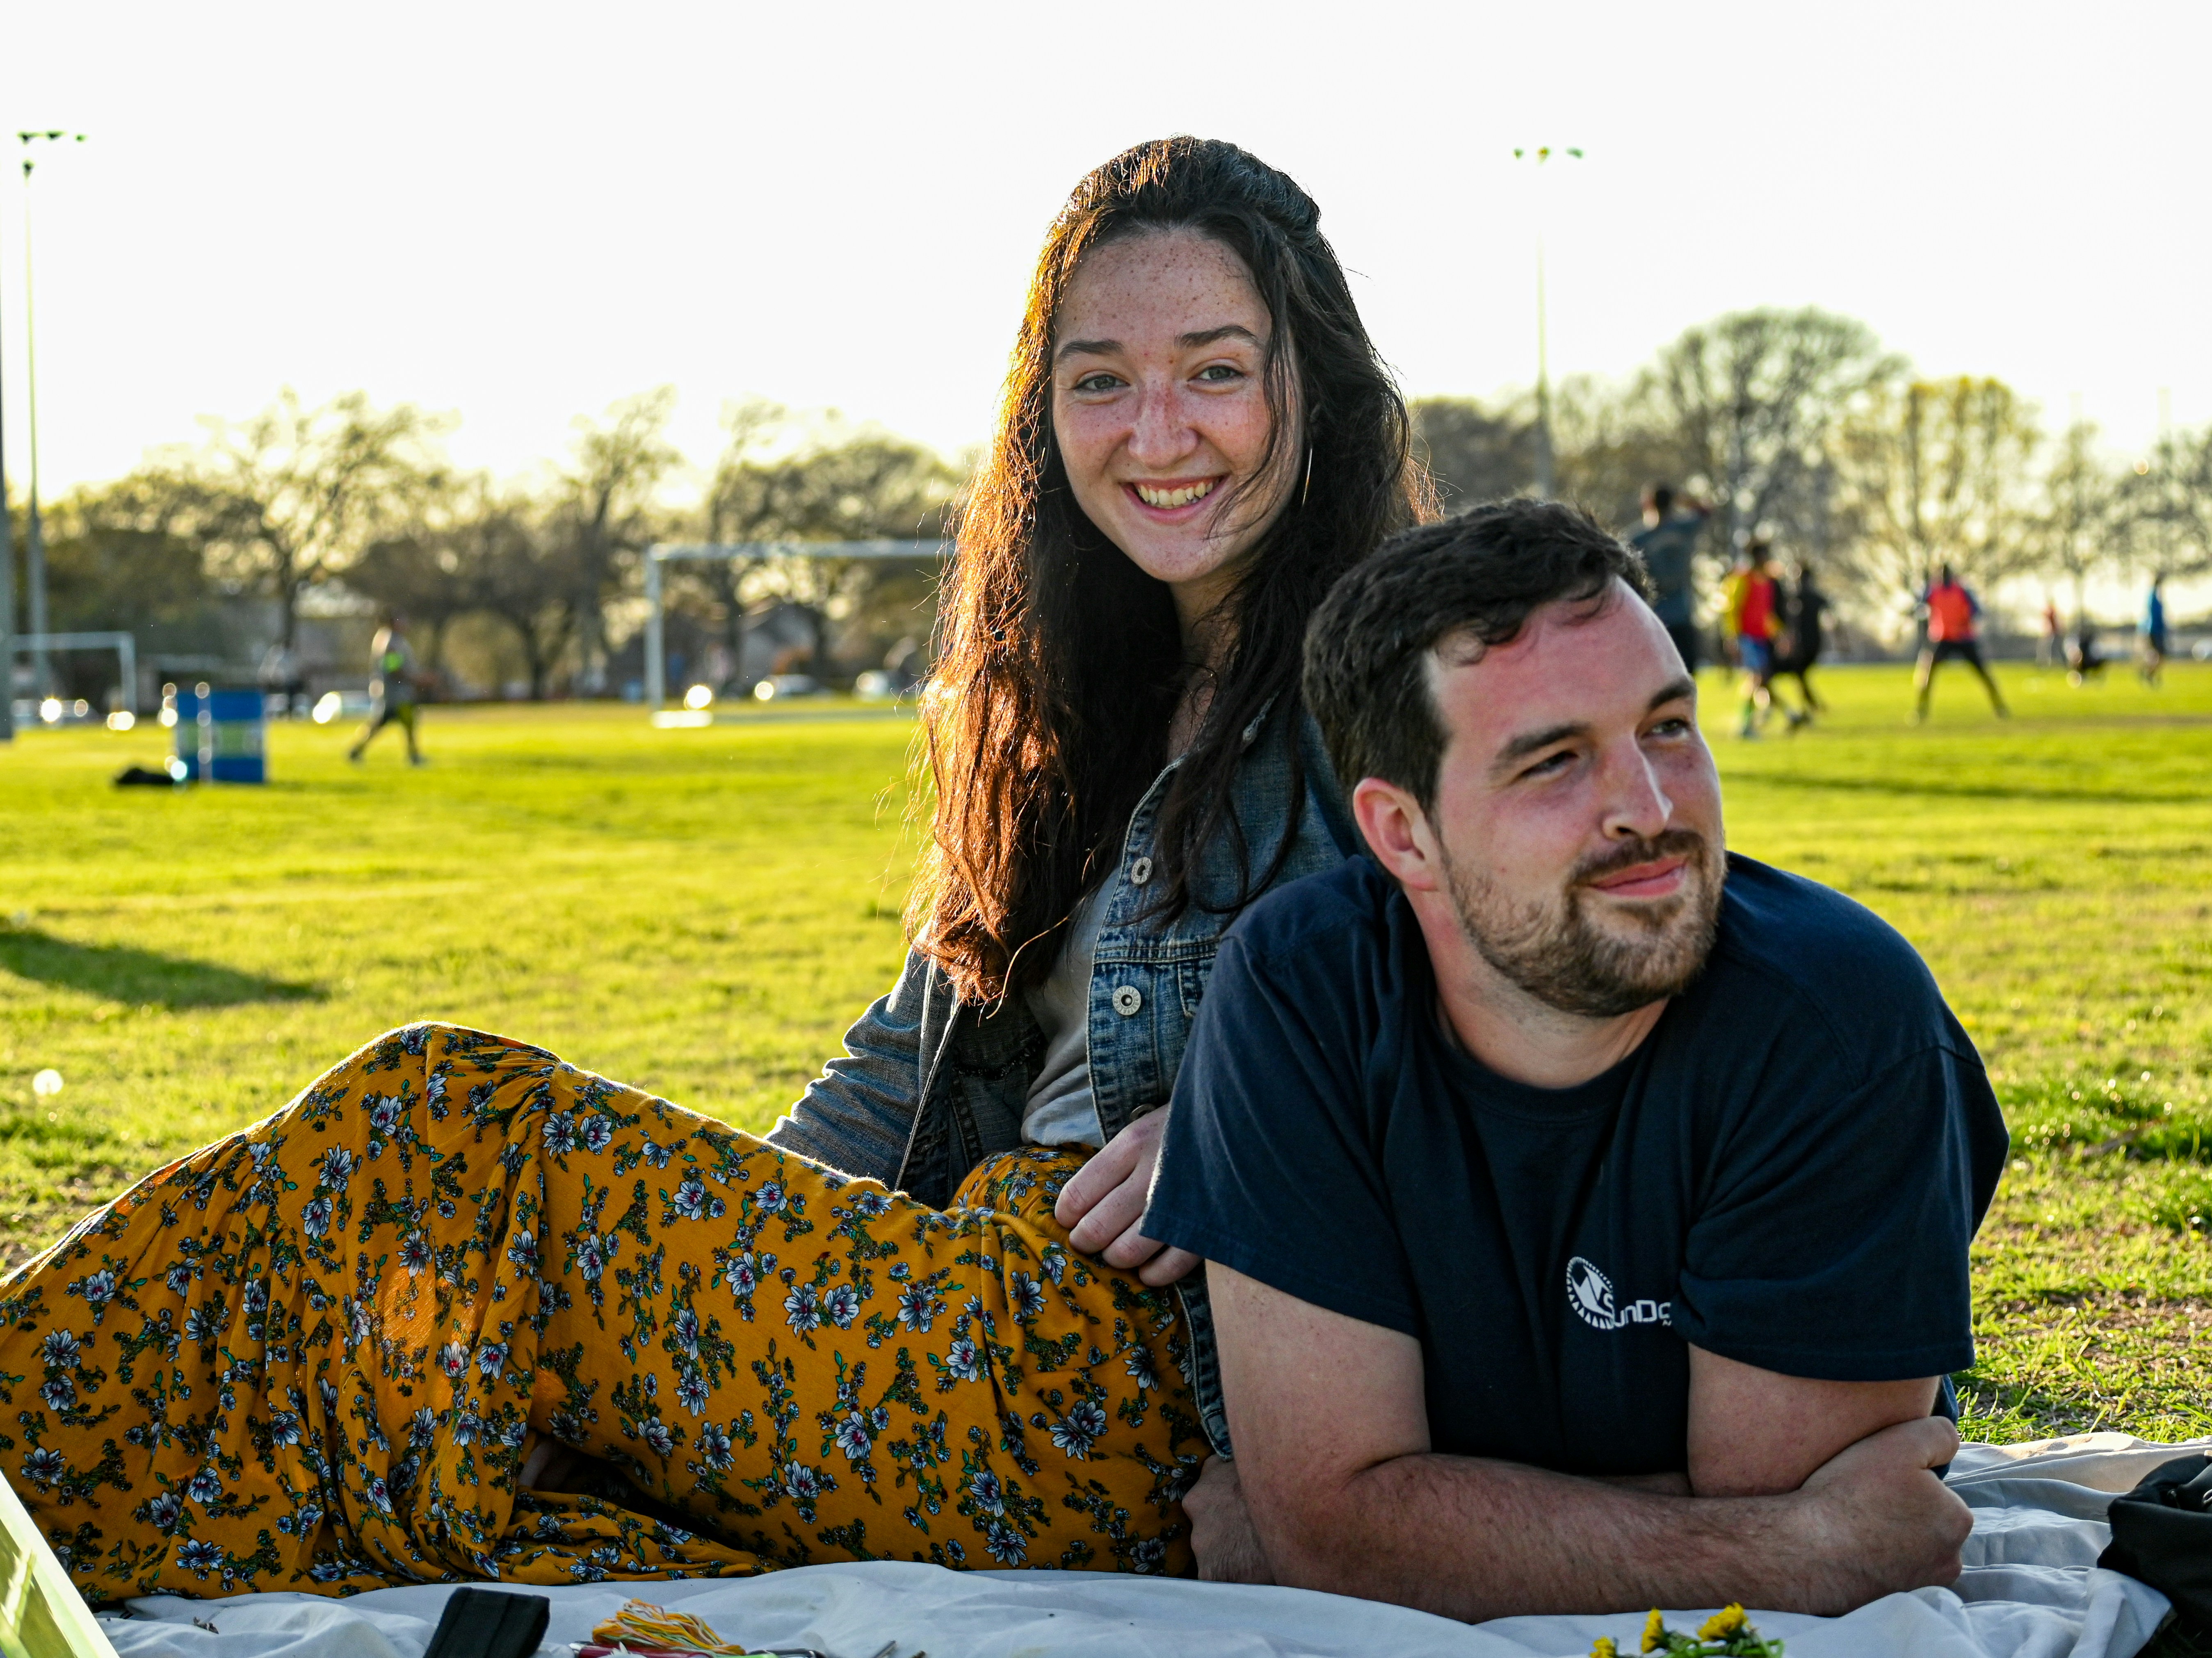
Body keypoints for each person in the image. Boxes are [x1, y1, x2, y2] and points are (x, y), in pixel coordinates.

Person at [0, 136, 1423, 1603]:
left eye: (1213, 369)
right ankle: (45, 1506)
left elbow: (1564, 1006)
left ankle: (20, 1483)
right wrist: (697, 1270)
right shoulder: (1087, 705)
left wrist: (1263, 1146)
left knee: (437, 1119)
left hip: (1113, 1377)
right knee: (413, 1300)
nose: (1155, 430)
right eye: (1100, 379)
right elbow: (898, 1067)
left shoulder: (1385, 683)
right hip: (953, 1308)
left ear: (1306, 382)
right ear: (1043, 415)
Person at [1145, 502, 2006, 1616]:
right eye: (1555, 761)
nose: (1651, 810)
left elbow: (1822, 1552)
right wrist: (1339, 1529)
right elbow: (1802, 1542)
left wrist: (1366, 1526)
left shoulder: (1840, 1020)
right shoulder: (1299, 989)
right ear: (1402, 833)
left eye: (1666, 729)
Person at [1625, 482, 1709, 675]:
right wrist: (1684, 498)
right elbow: (1706, 510)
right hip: (1682, 613)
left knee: (1659, 675)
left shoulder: (1639, 538)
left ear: (1648, 504)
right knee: (1687, 675)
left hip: (1654, 617)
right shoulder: (1684, 529)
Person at [1914, 564, 2007, 721]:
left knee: (1984, 674)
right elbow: (1920, 607)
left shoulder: (1962, 591)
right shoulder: (1933, 591)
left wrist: (1966, 619)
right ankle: (1921, 711)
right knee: (1927, 674)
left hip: (1964, 638)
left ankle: (2000, 707)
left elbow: (1977, 610)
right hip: (1942, 638)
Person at [1720, 540, 1781, 739]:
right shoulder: (1742, 579)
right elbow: (1731, 609)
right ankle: (1747, 725)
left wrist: (1780, 634)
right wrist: (1732, 638)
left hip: (1762, 638)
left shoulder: (1769, 583)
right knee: (1756, 677)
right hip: (1746, 637)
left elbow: (1768, 614)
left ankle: (1757, 714)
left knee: (1759, 679)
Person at [346, 616, 424, 763]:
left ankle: (357, 750)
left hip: (393, 692)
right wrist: (415, 680)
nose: (406, 622)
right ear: (393, 622)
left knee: (388, 723)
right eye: (402, 619)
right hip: (396, 693)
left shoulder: (390, 639)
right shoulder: (391, 642)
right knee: (404, 722)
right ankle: (414, 756)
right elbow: (394, 669)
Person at [1765, 560, 1830, 723]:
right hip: (1814, 647)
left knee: (1771, 675)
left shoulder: (1797, 599)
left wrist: (1788, 642)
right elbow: (1831, 617)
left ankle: (1802, 710)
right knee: (1800, 676)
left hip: (1802, 647)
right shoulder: (1816, 597)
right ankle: (1811, 707)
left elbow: (1791, 622)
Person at [2135, 575, 2168, 688]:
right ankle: (2148, 672)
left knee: (2158, 656)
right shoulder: (2153, 597)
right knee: (2157, 655)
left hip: (2158, 631)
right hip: (2154, 631)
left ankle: (2149, 673)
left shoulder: (2156, 598)